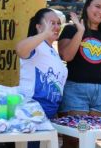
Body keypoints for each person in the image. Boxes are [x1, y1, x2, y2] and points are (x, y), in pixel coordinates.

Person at [57, 0, 101, 147]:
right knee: (74, 140)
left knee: (90, 138)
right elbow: (66, 56)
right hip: (76, 90)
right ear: (87, 6)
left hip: (100, 93)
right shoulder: (71, 29)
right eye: (97, 6)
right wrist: (80, 31)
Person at [16, 8, 68, 148]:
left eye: (58, 23)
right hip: (32, 114)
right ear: (38, 27)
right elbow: (20, 49)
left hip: (48, 116)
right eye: (52, 23)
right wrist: (44, 34)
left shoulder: (51, 50)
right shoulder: (36, 45)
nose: (56, 27)